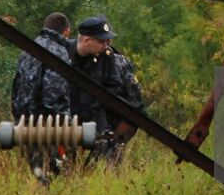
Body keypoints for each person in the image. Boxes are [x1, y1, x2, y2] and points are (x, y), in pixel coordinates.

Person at [68, 14, 143, 162]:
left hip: (98, 121)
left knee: (108, 164)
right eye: (101, 41)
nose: (106, 45)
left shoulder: (109, 58)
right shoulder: (63, 54)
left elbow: (117, 93)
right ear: (87, 40)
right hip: (69, 121)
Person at [11, 12, 74, 179]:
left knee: (36, 170)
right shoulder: (58, 51)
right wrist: (64, 122)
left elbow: (16, 86)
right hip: (46, 122)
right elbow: (55, 90)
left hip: (25, 121)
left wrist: (18, 117)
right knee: (56, 173)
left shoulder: (28, 49)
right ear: (67, 32)